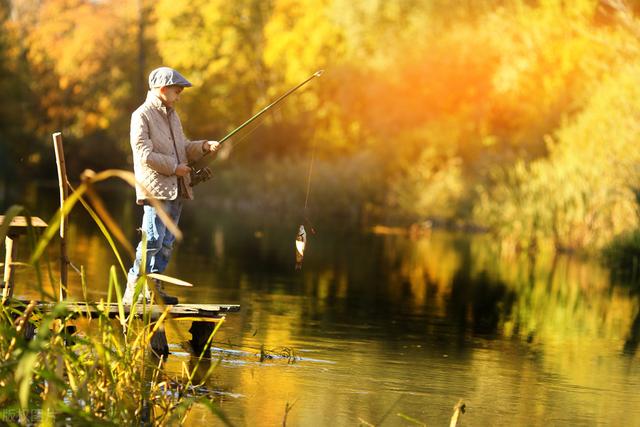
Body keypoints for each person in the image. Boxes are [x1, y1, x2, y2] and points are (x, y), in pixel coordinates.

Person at [123, 66, 220, 305]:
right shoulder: (142, 115)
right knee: (152, 240)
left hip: (177, 188)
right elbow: (144, 154)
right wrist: (174, 167)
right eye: (177, 91)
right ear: (163, 88)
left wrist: (204, 146)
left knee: (166, 243)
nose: (179, 96)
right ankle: (133, 289)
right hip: (155, 189)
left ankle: (153, 290)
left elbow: (183, 148)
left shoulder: (172, 115)